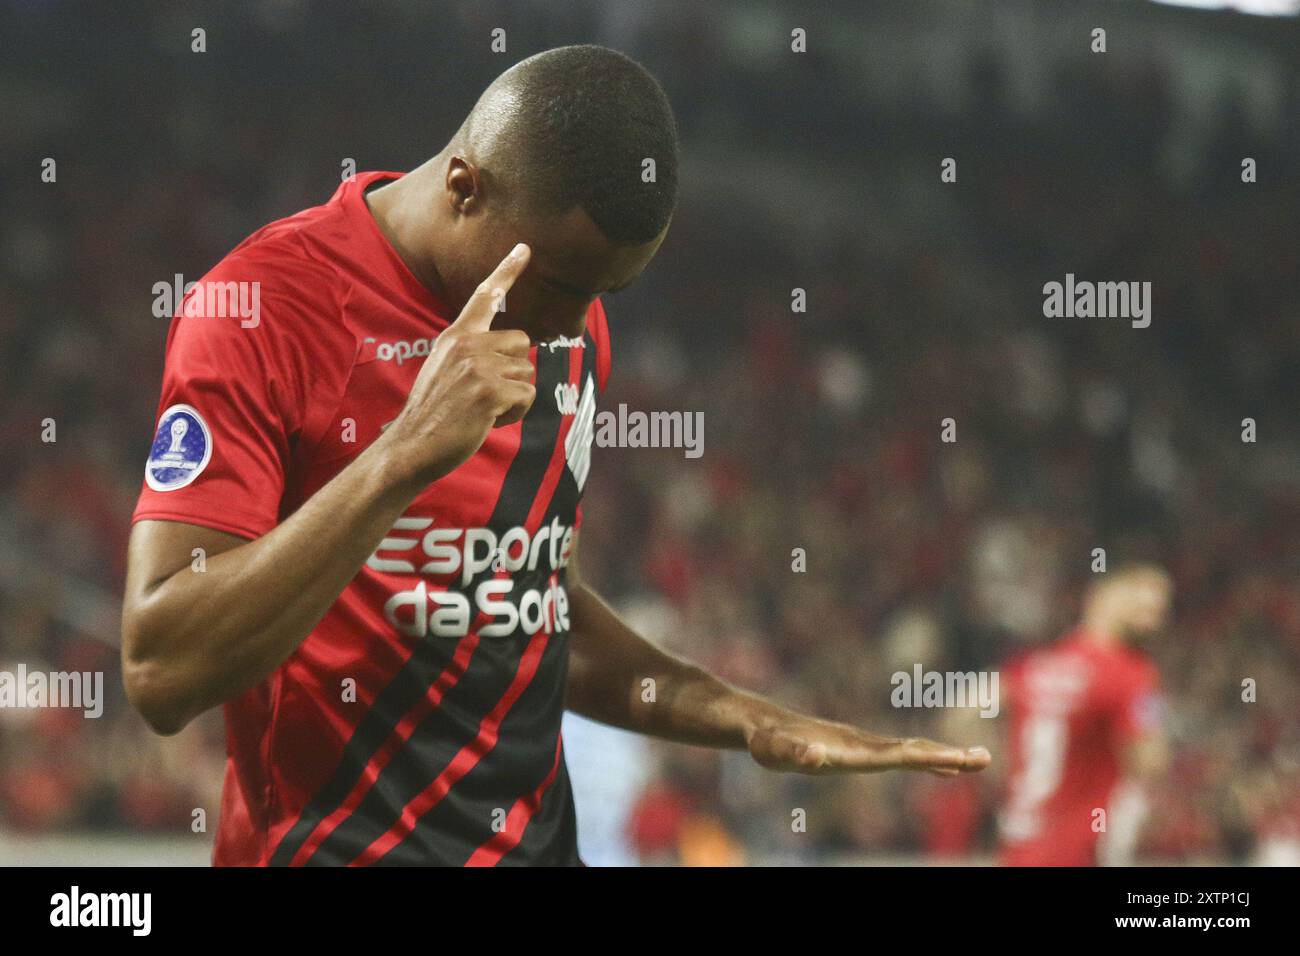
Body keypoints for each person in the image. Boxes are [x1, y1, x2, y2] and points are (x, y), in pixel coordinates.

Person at [121, 44, 989, 866]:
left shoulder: (553, 314)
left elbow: (527, 603)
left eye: (608, 292)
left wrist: (740, 717)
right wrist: (401, 457)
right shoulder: (263, 306)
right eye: (567, 286)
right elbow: (163, 668)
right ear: (465, 187)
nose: (574, 327)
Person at [999, 563, 1172, 866]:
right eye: (1142, 594)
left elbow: (963, 716)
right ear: (1100, 596)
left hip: (1019, 850)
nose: (1155, 609)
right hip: (1077, 853)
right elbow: (1150, 760)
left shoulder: (1036, 666)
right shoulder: (1131, 673)